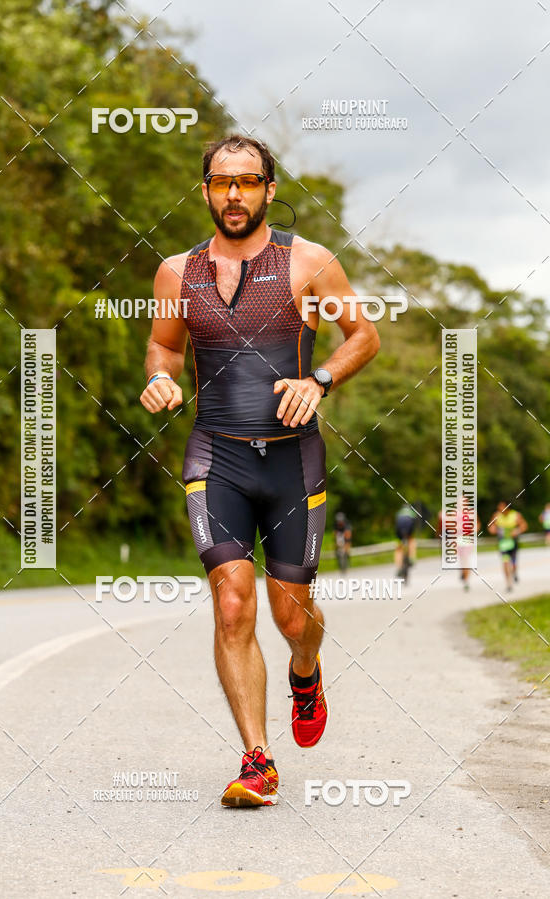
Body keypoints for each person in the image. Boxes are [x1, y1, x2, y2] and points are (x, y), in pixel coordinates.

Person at [139, 134, 379, 807]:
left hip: (292, 460)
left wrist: (321, 380)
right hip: (215, 455)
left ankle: (307, 673)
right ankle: (256, 760)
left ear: (270, 189)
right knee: (233, 602)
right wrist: (159, 379)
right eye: (221, 182)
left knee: (293, 617)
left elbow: (363, 335)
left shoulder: (309, 264)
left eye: (247, 182)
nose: (234, 195)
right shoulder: (175, 272)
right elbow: (162, 346)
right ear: (207, 190)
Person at [487, 500, 527, 592]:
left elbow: (524, 526)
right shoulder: (496, 515)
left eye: (501, 507)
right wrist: (492, 529)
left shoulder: (516, 515)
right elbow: (490, 526)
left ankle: (514, 573)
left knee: (513, 565)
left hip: (513, 543)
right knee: (505, 562)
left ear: (507, 507)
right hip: (502, 543)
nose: (499, 509)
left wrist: (517, 531)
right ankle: (508, 584)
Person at [394, 503, 418, 577]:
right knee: (412, 542)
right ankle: (411, 558)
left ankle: (399, 567)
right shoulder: (412, 513)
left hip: (399, 529)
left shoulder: (399, 513)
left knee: (398, 548)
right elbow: (414, 525)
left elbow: (396, 524)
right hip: (409, 527)